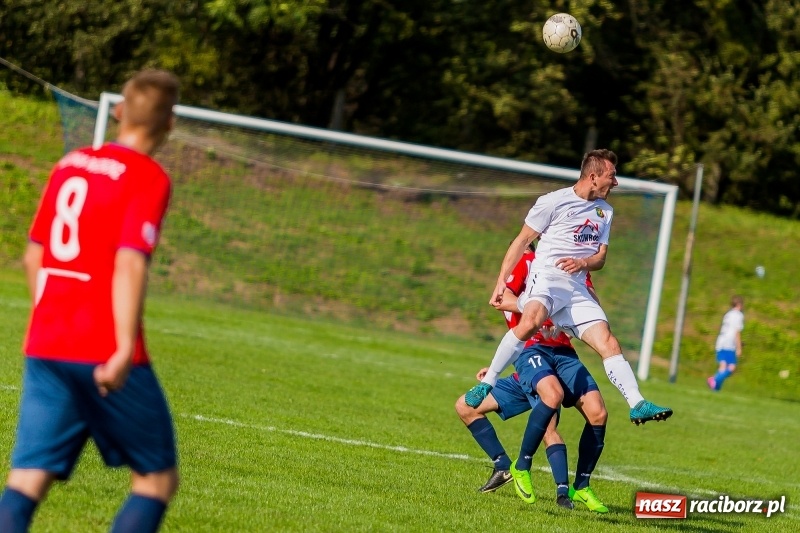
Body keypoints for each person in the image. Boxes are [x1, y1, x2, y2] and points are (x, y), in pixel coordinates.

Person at [0, 69, 180, 533]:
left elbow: (34, 254)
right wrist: (123, 348)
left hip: (46, 342)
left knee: (27, 479)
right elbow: (130, 262)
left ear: (119, 111)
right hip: (100, 346)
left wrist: (51, 314)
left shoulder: (70, 163)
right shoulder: (148, 176)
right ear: (170, 123)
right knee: (156, 479)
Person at [464, 149, 672, 427]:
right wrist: (501, 280)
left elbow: (600, 258)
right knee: (530, 323)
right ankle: (488, 382)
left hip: (576, 288)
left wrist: (583, 262)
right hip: (547, 279)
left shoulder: (605, 212)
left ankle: (637, 404)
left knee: (608, 341)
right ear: (593, 176)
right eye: (612, 176)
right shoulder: (553, 201)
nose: (616, 182)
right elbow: (522, 240)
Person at [454, 243, 610, 512]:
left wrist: (572, 304)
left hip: (556, 356)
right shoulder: (525, 264)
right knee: (467, 406)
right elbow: (502, 301)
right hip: (530, 357)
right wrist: (543, 311)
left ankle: (572, 490)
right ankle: (508, 468)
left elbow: (590, 304)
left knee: (585, 415)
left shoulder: (564, 265)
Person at [708, 296, 744, 391]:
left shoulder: (728, 314)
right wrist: (739, 347)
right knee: (732, 367)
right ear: (739, 304)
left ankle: (715, 389)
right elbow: (737, 332)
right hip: (729, 343)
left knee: (723, 367)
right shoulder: (738, 315)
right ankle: (714, 379)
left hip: (721, 341)